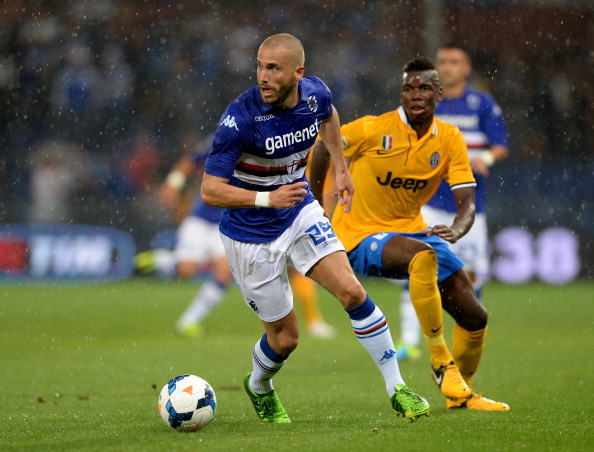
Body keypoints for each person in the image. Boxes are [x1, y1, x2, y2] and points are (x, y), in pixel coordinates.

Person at [201, 33, 429, 423]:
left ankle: (397, 387)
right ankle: (259, 385)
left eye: (273, 68)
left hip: (299, 210)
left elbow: (330, 117)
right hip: (249, 233)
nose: (263, 76)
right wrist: (266, 198)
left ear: (298, 72)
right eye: (259, 66)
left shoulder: (315, 95)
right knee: (286, 338)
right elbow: (209, 189)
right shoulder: (240, 119)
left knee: (352, 291)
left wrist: (341, 168)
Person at [310, 57, 509, 411]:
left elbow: (467, 203)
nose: (415, 94)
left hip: (412, 230)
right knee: (422, 256)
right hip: (359, 234)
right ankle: (439, 360)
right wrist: (316, 204)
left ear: (438, 94)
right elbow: (324, 144)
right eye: (408, 88)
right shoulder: (374, 128)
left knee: (475, 316)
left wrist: (457, 229)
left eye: (424, 88)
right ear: (402, 94)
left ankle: (460, 395)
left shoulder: (449, 139)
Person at [136, 135, 337, 339]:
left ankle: (189, 321)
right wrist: (174, 183)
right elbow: (192, 159)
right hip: (202, 217)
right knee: (187, 270)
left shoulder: (273, 144)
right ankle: (163, 259)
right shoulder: (231, 135)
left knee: (224, 271)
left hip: (229, 221)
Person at [396, 45, 510, 361]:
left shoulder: (481, 103)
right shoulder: (429, 103)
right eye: (443, 61)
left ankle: (469, 333)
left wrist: (484, 157)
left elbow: (500, 144)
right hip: (429, 200)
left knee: (471, 274)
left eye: (454, 61)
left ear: (467, 67)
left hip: (469, 204)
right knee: (417, 268)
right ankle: (409, 341)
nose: (447, 66)